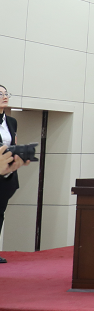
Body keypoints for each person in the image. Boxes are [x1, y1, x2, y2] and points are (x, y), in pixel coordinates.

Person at [0, 85, 29, 264]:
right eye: (0, 94)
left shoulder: (11, 121)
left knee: (0, 212)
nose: (4, 96)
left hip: (5, 174)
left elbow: (13, 145)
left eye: (6, 94)